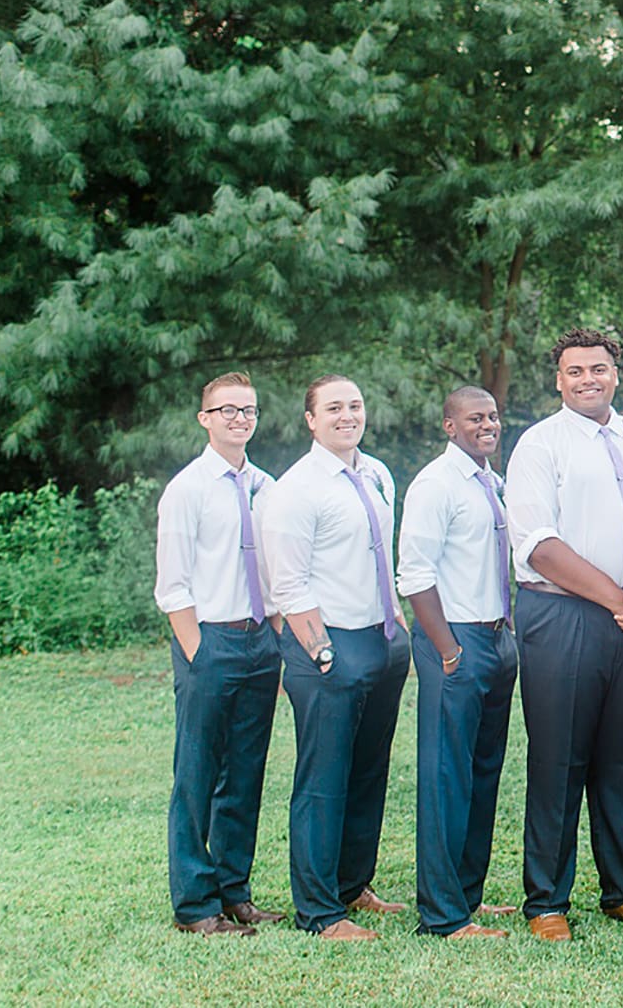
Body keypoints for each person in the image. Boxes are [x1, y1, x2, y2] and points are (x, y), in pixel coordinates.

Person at [505, 327, 623, 940]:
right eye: (574, 371)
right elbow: (538, 545)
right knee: (559, 758)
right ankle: (547, 901)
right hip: (564, 615)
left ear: (615, 374)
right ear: (558, 380)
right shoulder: (539, 444)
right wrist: (617, 598)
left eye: (598, 369)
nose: (588, 380)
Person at [259, 374, 410, 940]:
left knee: (368, 771)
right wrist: (322, 651)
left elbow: (380, 553)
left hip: (380, 638)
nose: (348, 416)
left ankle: (353, 884)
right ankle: (319, 911)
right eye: (334, 408)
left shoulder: (377, 474)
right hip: (328, 644)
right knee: (323, 778)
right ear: (311, 420)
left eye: (355, 405)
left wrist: (396, 624)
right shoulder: (295, 490)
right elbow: (287, 583)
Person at [154, 371, 284, 935]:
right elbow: (172, 585)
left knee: (245, 772)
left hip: (260, 640)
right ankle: (195, 905)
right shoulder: (187, 489)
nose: (239, 418)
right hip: (210, 639)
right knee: (198, 774)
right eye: (227, 410)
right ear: (205, 419)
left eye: (248, 409)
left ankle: (235, 890)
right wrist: (198, 651)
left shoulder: (267, 487)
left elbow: (277, 571)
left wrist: (276, 636)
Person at [397, 386, 517, 939]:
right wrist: (448, 650)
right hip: (455, 640)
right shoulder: (436, 484)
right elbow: (414, 575)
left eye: (492, 416)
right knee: (447, 777)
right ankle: (443, 914)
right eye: (474, 418)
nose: (487, 425)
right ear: (450, 425)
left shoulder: (493, 483)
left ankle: (468, 896)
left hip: (495, 638)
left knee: (482, 773)